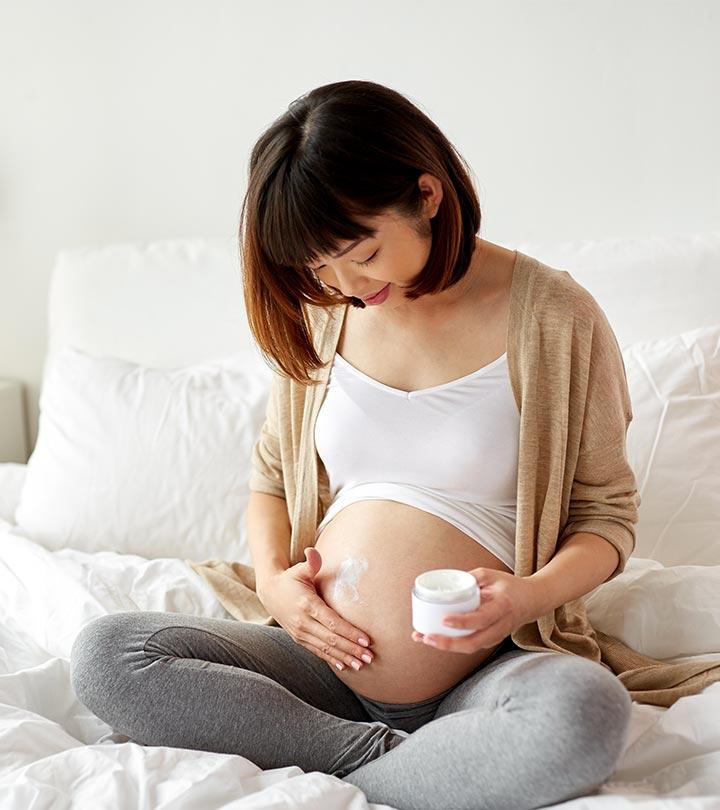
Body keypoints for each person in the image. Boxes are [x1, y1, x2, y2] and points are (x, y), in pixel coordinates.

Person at [70, 80, 635, 810]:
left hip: (486, 668)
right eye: (315, 266)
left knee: (586, 713)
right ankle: (381, 763)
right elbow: (272, 477)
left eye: (358, 252)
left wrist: (526, 596)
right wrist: (275, 583)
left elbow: (607, 514)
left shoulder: (555, 316)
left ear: (428, 196)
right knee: (109, 656)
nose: (340, 283)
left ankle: (356, 770)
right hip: (315, 666)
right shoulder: (327, 312)